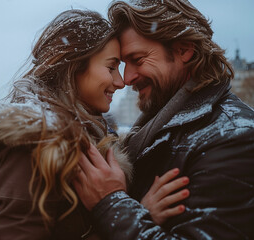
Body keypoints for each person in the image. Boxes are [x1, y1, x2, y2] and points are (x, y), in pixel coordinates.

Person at [0, 9, 189, 240]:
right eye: (111, 67)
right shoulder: (31, 145)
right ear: (74, 68)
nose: (121, 81)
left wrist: (130, 213)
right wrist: (138, 217)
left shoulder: (76, 138)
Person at [73, 0, 254, 239]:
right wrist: (140, 210)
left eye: (138, 59)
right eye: (123, 65)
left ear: (183, 50)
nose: (127, 78)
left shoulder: (233, 137)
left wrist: (110, 204)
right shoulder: (157, 128)